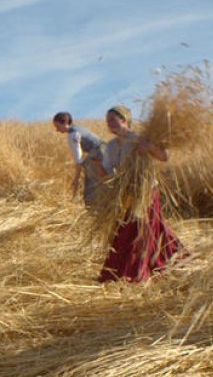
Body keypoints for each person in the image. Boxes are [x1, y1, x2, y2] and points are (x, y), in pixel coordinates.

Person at [94, 105, 182, 283]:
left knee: (141, 229)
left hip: (145, 191)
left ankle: (135, 271)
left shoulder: (139, 138)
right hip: (127, 194)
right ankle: (125, 270)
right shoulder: (110, 147)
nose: (109, 124)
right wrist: (98, 168)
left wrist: (149, 147)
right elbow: (110, 173)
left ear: (124, 120)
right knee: (136, 229)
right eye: (107, 121)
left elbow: (164, 156)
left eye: (113, 119)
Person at [52, 111, 105, 205]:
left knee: (91, 189)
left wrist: (76, 180)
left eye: (57, 126)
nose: (57, 130)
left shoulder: (72, 135)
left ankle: (93, 208)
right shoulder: (80, 128)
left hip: (97, 154)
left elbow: (79, 159)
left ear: (64, 122)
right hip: (106, 150)